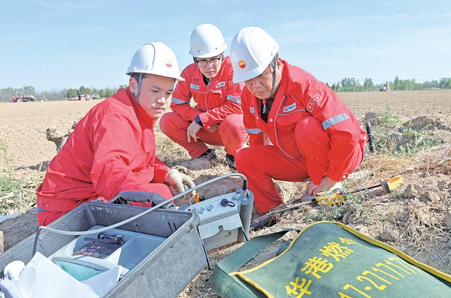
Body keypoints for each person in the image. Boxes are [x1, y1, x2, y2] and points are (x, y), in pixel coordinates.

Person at [36, 42, 195, 226]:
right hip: (65, 212)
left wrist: (167, 173)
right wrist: (161, 198)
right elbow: (111, 177)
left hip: (88, 199)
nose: (162, 100)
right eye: (155, 91)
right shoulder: (116, 117)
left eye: (168, 93)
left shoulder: (140, 112)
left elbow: (141, 162)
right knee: (160, 195)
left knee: (165, 190)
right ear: (134, 85)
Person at [229, 27, 368, 214]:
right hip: (297, 157)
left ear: (276, 63)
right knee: (244, 158)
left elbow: (347, 133)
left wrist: (332, 178)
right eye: (248, 80)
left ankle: (323, 185)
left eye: (261, 75)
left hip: (339, 155)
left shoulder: (304, 86)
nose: (255, 86)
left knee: (307, 127)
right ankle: (273, 212)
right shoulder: (249, 97)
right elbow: (256, 140)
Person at [159, 24, 248, 170]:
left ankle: (233, 156)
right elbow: (177, 104)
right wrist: (198, 118)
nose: (209, 66)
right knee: (167, 121)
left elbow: (236, 106)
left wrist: (203, 119)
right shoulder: (188, 73)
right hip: (206, 130)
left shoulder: (234, 70)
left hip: (230, 130)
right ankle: (204, 155)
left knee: (234, 122)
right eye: (202, 60)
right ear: (195, 59)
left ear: (222, 54)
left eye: (214, 59)